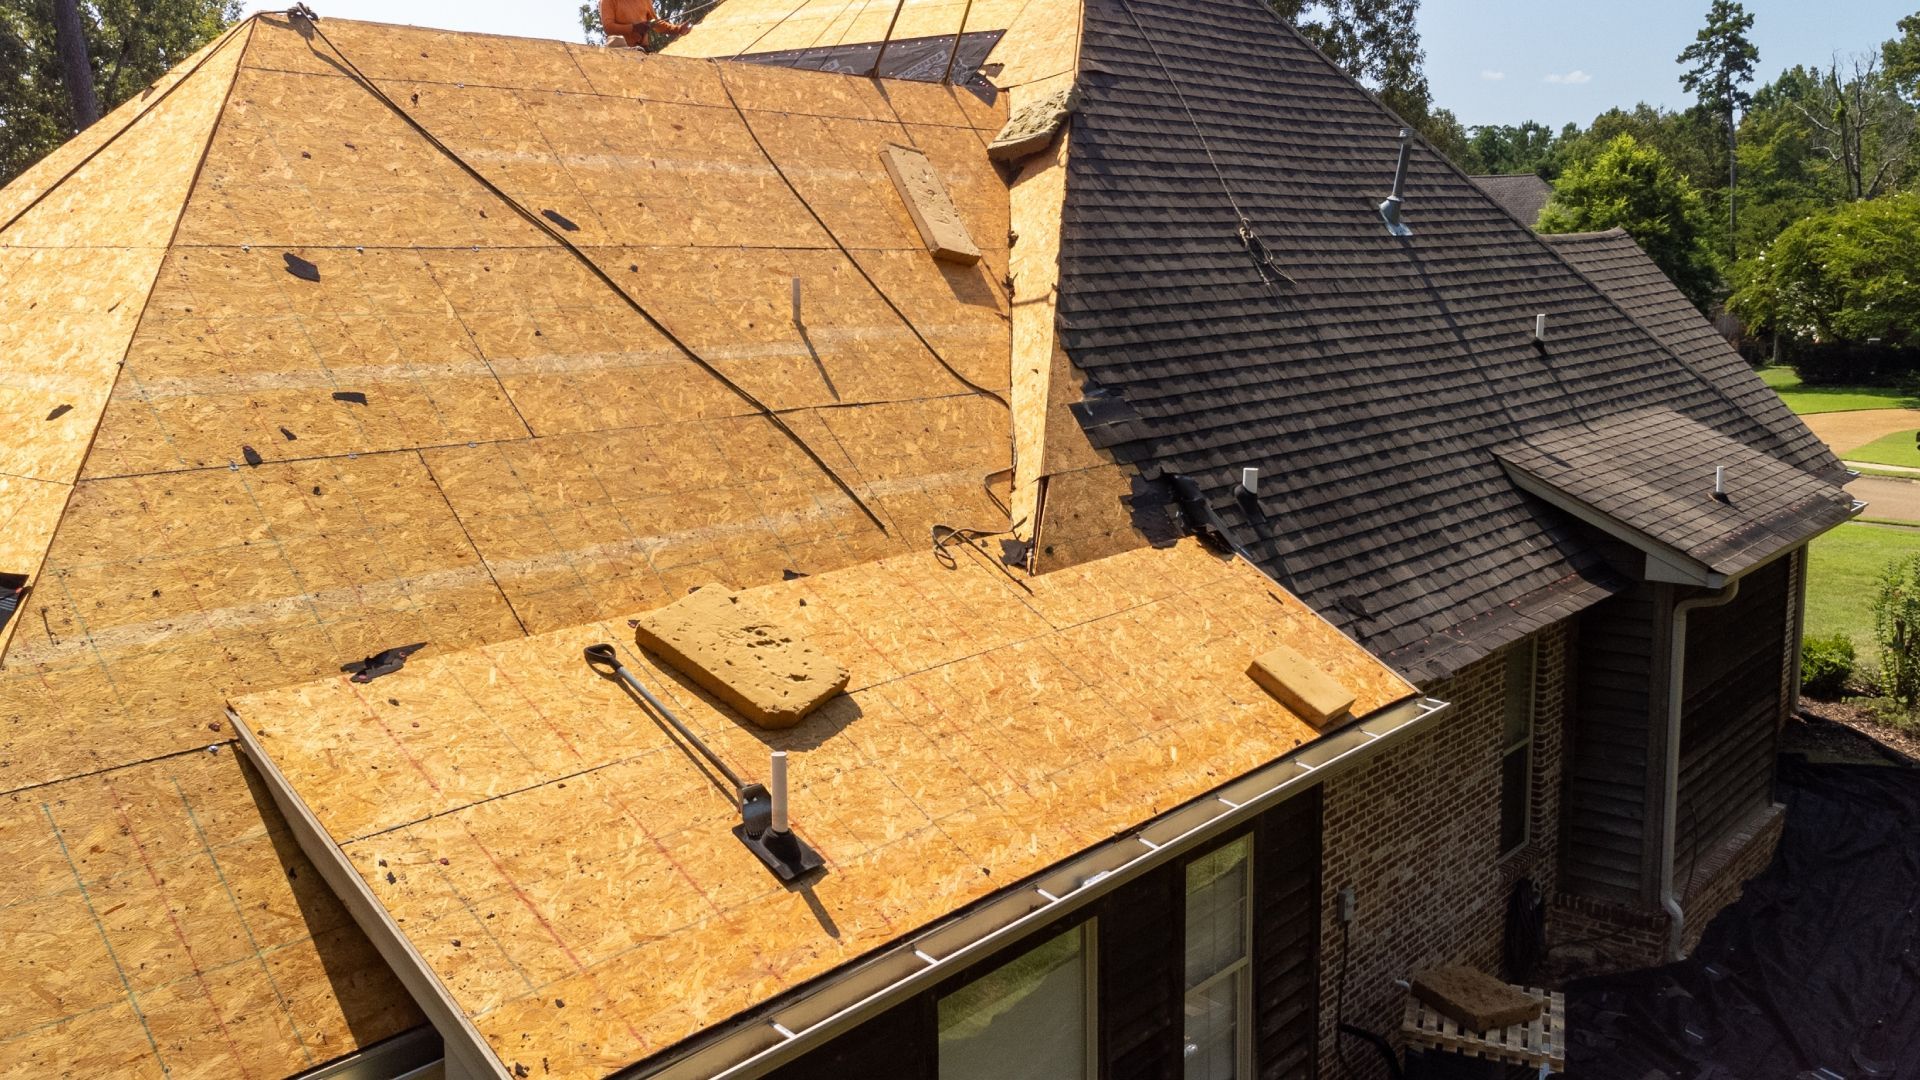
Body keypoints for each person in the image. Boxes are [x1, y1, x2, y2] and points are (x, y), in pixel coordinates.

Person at [601, 0, 691, 48]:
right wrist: (634, 28)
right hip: (619, 52)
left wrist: (678, 29)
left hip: (642, 50)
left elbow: (656, 23)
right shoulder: (608, 1)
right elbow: (608, 27)